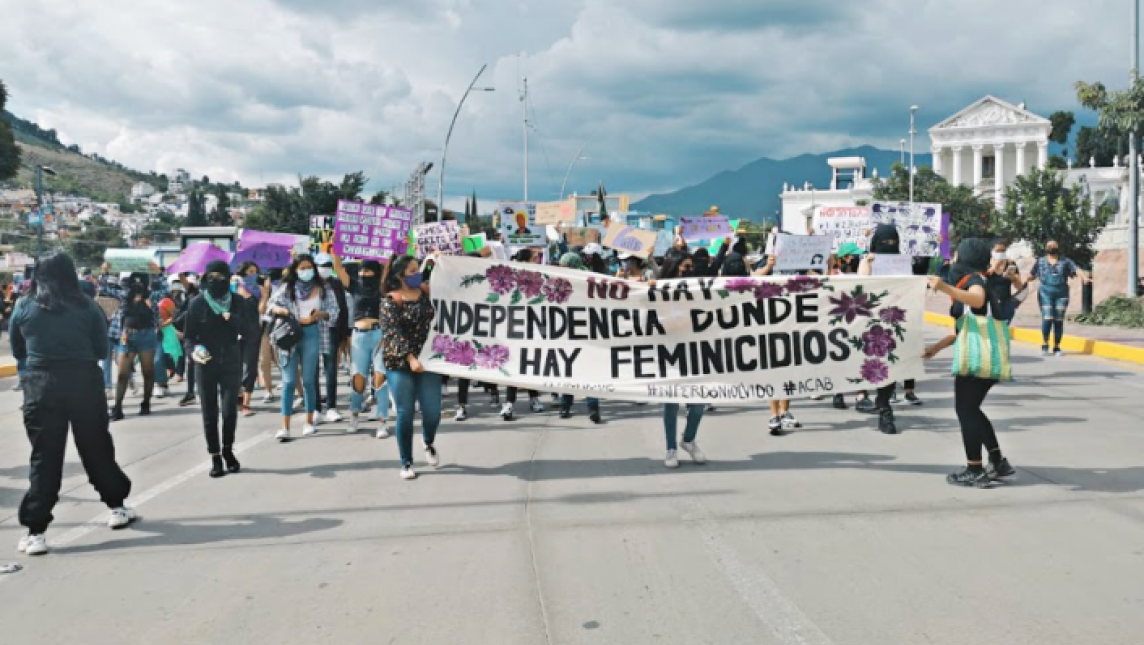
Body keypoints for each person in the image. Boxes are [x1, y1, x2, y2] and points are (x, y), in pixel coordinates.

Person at [10, 253, 137, 556]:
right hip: (83, 381)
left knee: (45, 457)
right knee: (96, 447)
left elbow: (19, 349)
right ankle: (117, 507)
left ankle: (36, 532)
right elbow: (101, 347)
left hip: (41, 385)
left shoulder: (25, 306)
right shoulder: (86, 305)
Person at [924, 239, 1016, 488]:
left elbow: (976, 300)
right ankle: (997, 461)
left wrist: (945, 288)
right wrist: (936, 348)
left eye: (957, 254)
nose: (953, 259)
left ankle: (974, 468)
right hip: (986, 354)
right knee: (972, 410)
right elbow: (967, 326)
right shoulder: (977, 279)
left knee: (966, 411)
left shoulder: (975, 281)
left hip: (978, 359)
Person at [379, 254, 442, 480]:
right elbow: (392, 333)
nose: (418, 274)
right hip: (400, 363)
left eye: (419, 269)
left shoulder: (426, 293)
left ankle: (429, 442)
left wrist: (437, 261)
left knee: (433, 410)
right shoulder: (391, 300)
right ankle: (406, 462)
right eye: (413, 270)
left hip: (429, 361)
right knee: (405, 412)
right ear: (400, 276)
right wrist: (410, 358)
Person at [185, 261, 248, 478]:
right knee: (209, 412)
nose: (216, 282)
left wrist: (234, 319)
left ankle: (228, 450)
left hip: (230, 359)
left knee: (229, 410)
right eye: (211, 278)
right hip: (205, 362)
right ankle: (215, 456)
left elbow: (249, 329)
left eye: (221, 277)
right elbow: (189, 337)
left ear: (228, 277)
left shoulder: (238, 301)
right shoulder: (197, 303)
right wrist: (193, 351)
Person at [268, 255, 340, 441]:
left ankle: (309, 421)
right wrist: (282, 310)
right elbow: (271, 305)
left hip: (312, 333)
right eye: (302, 268)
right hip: (290, 334)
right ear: (295, 270)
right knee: (289, 381)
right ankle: (285, 426)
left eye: (309, 267)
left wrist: (320, 314)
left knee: (309, 380)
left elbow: (334, 311)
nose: (306, 271)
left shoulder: (323, 288)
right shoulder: (287, 288)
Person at [648, 250, 707, 468]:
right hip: (668, 352)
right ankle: (671, 448)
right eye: (686, 267)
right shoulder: (657, 289)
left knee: (699, 401)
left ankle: (688, 440)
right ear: (674, 267)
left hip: (694, 352)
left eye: (691, 267)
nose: (690, 271)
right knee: (671, 404)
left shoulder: (695, 290)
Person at [333, 253, 392, 438]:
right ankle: (355, 414)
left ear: (375, 272)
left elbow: (387, 265)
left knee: (380, 379)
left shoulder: (381, 287)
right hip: (358, 337)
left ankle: (383, 422)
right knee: (358, 380)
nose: (364, 274)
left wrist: (391, 252)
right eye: (361, 270)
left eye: (367, 270)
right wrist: (335, 249)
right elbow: (338, 268)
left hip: (379, 335)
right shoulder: (354, 286)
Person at [856, 224, 903, 434]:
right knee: (872, 364)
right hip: (871, 324)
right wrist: (867, 263)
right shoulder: (867, 261)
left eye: (893, 242)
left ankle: (884, 407)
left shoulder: (902, 262)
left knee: (891, 368)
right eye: (885, 242)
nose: (889, 246)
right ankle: (867, 397)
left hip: (895, 322)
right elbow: (861, 286)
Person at [110, 273, 160, 421]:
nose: (137, 287)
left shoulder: (152, 296)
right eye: (134, 284)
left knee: (148, 371)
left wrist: (157, 273)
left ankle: (146, 403)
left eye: (141, 284)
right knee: (122, 374)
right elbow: (106, 289)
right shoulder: (124, 296)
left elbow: (163, 290)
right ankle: (118, 407)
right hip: (128, 335)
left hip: (146, 334)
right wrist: (107, 273)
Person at [1028, 239, 1091, 357]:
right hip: (1045, 292)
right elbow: (1031, 275)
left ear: (1058, 247)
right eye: (1049, 245)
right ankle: (1045, 344)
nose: (1051, 246)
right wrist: (1023, 280)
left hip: (1061, 293)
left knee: (1058, 319)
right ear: (1046, 248)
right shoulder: (1040, 261)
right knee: (1047, 317)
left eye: (1053, 245)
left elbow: (1077, 269)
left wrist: (1084, 278)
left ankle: (1057, 346)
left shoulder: (1065, 261)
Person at [314, 253, 348, 423]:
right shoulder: (309, 284)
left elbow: (342, 308)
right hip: (311, 331)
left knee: (331, 370)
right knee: (312, 371)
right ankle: (315, 408)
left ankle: (332, 407)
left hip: (331, 330)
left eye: (328, 265)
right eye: (322, 265)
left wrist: (343, 334)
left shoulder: (336, 283)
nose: (325, 268)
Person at [233, 262, 264, 417]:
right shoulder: (233, 286)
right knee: (235, 366)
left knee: (250, 367)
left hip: (253, 331)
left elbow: (262, 310)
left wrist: (266, 293)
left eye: (255, 271)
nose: (253, 274)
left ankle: (246, 403)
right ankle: (237, 397)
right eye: (250, 271)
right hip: (234, 332)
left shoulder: (259, 290)